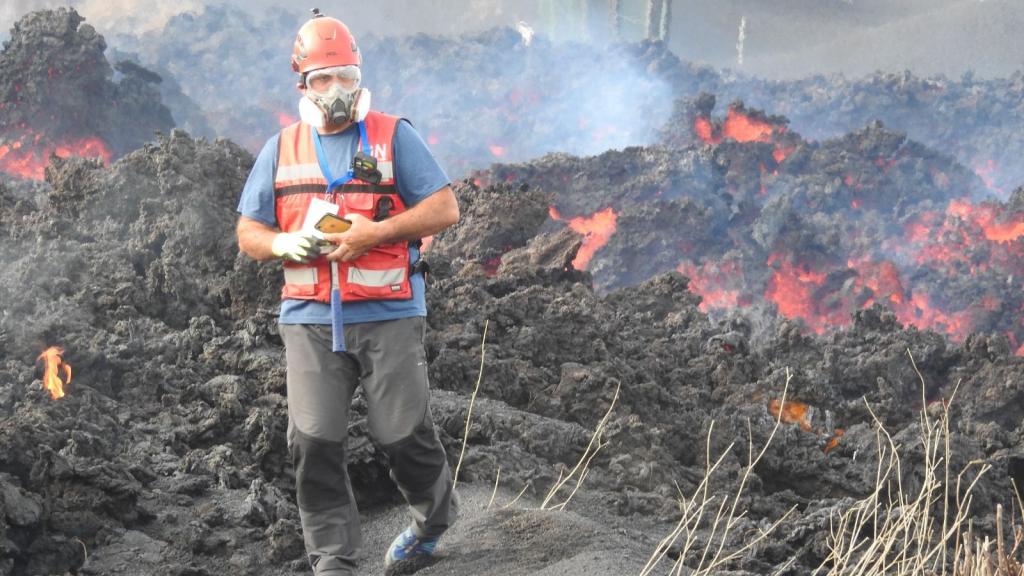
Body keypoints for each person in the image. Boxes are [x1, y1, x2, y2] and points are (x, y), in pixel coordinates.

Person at [235, 9, 460, 575]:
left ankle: (431, 522)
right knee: (313, 439)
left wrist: (375, 234)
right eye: (322, 79)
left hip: (389, 311)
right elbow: (248, 232)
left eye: (345, 77)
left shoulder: (392, 136)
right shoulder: (281, 149)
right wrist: (285, 245)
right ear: (303, 86)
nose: (336, 90)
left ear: (359, 78)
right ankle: (334, 558)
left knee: (401, 433)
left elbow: (444, 207)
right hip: (309, 318)